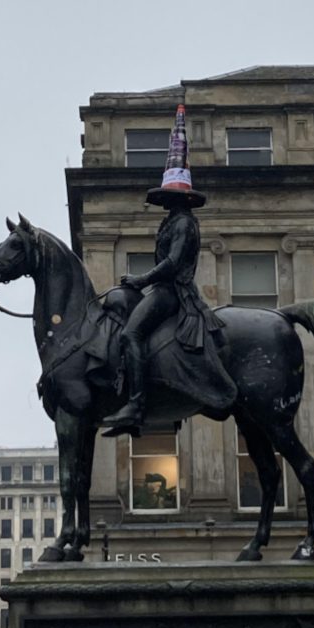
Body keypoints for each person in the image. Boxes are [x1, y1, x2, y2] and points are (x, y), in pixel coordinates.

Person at [102, 105, 222, 436]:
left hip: (174, 293)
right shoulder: (173, 220)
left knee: (131, 333)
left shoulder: (183, 223)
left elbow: (170, 265)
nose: (166, 201)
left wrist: (141, 279)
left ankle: (137, 403)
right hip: (164, 290)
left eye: (169, 196)